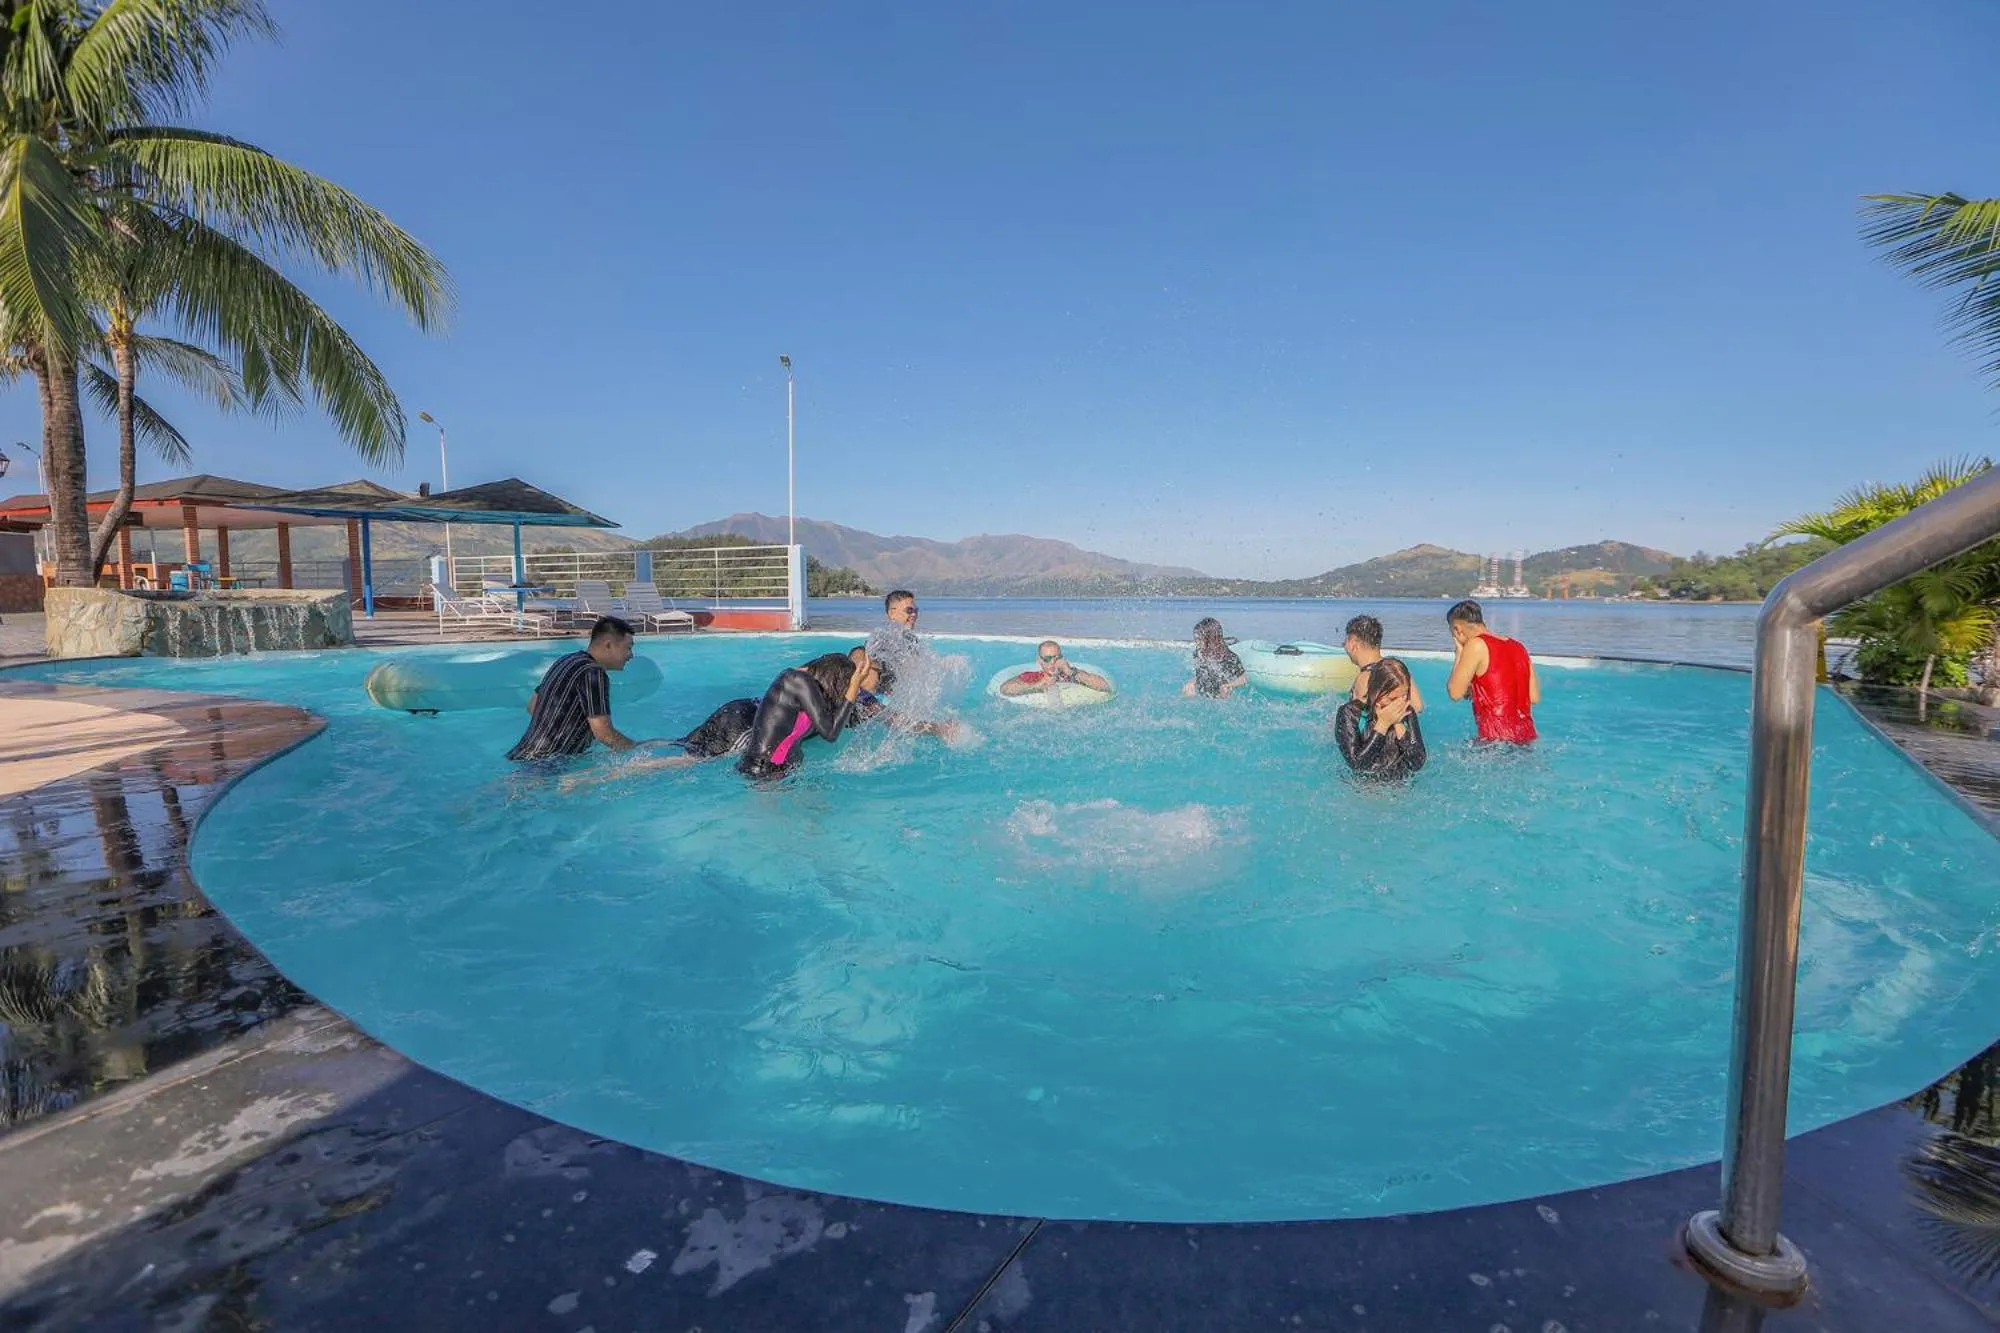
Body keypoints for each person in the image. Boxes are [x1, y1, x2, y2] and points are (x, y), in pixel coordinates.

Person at [507, 616, 644, 761]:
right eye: (628, 648)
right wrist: (636, 749)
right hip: (546, 764)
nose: (631, 655)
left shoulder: (566, 660)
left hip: (523, 754)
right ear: (608, 645)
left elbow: (532, 706)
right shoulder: (594, 673)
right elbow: (604, 734)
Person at [739, 647, 879, 778]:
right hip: (762, 770)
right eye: (845, 685)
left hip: (785, 769)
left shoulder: (812, 692)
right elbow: (830, 733)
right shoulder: (797, 680)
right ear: (833, 677)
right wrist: (854, 685)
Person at [1444, 599, 1539, 743]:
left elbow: (1455, 693)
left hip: (1496, 740)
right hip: (1527, 737)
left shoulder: (1476, 644)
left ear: (1457, 630)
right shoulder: (1519, 647)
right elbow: (1533, 697)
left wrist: (1459, 653)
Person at [1334, 656, 1427, 779]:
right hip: (1362, 790)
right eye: (1392, 699)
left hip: (1399, 790)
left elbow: (1417, 763)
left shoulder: (1407, 712)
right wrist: (1383, 724)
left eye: (1404, 696)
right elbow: (1357, 764)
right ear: (1375, 692)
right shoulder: (1350, 713)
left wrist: (1398, 723)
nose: (1398, 704)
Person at [1342, 614, 1425, 713]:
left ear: (1353, 644)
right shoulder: (1397, 671)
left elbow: (1353, 722)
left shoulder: (1364, 679)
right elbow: (1418, 707)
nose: (1344, 645)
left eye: (1345, 641)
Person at [999, 641, 1112, 697]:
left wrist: (1071, 672)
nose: (1052, 662)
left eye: (1056, 658)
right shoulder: (1033, 676)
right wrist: (1037, 686)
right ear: (1039, 660)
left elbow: (1105, 686)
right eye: (1047, 659)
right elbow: (1005, 689)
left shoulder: (1071, 674)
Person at [1184, 617, 1247, 698]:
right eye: (1196, 638)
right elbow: (1200, 675)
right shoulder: (1198, 653)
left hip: (1220, 696)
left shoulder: (1229, 658)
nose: (1197, 642)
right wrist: (1191, 683)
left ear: (1213, 639)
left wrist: (1230, 685)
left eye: (1200, 639)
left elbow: (1243, 679)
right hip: (1203, 695)